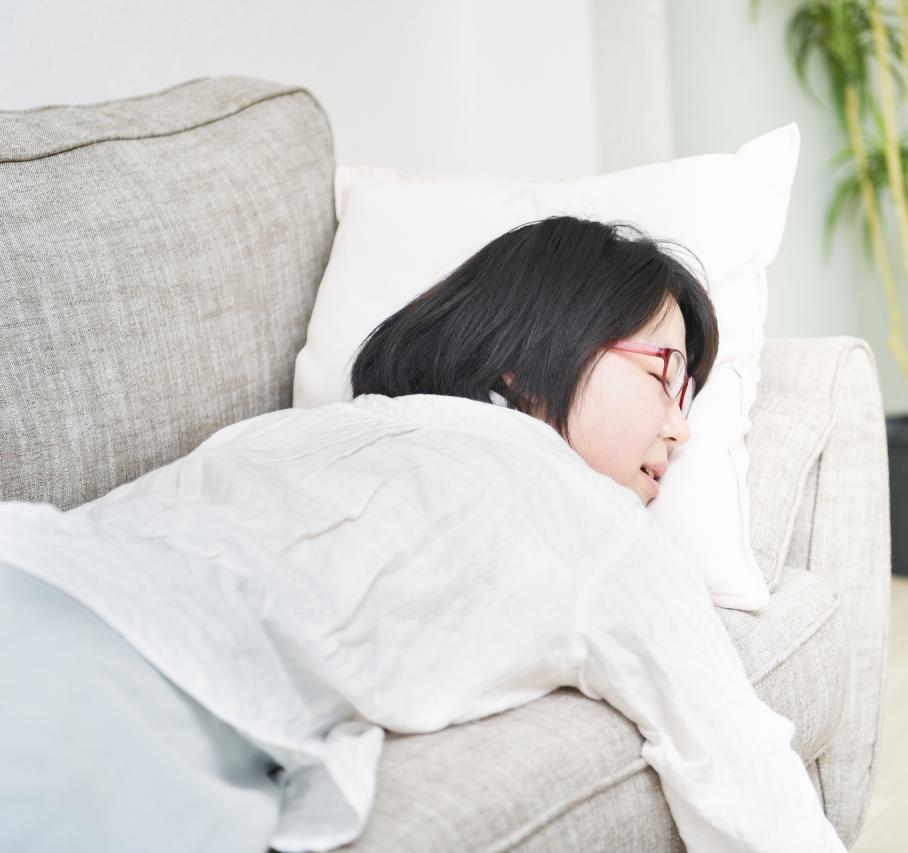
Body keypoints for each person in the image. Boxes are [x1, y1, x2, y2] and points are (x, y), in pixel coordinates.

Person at [0, 216, 845, 853]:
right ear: (535, 347)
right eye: (666, 375)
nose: (681, 429)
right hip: (137, 683)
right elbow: (742, 770)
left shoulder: (291, 433)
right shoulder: (585, 514)